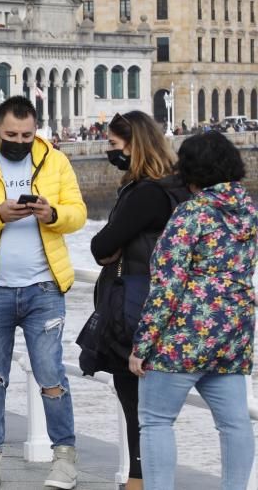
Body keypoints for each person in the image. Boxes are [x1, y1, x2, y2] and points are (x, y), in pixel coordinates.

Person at [0, 95, 87, 490]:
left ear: (35, 131)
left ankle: (64, 459)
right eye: (11, 134)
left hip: (44, 288)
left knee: (51, 375)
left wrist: (52, 214)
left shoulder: (55, 161)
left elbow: (77, 212)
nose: (19, 141)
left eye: (27, 135)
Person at [129, 132, 256, 490]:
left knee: (156, 421)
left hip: (182, 337)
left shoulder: (192, 213)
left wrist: (143, 344)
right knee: (234, 423)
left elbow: (168, 284)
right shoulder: (248, 211)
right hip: (232, 332)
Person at [79, 111, 187, 490]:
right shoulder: (179, 188)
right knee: (159, 405)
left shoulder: (144, 193)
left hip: (135, 306)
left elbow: (102, 246)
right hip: (172, 305)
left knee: (136, 401)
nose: (109, 152)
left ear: (134, 145)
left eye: (113, 145)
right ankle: (144, 478)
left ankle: (141, 480)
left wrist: (112, 244)